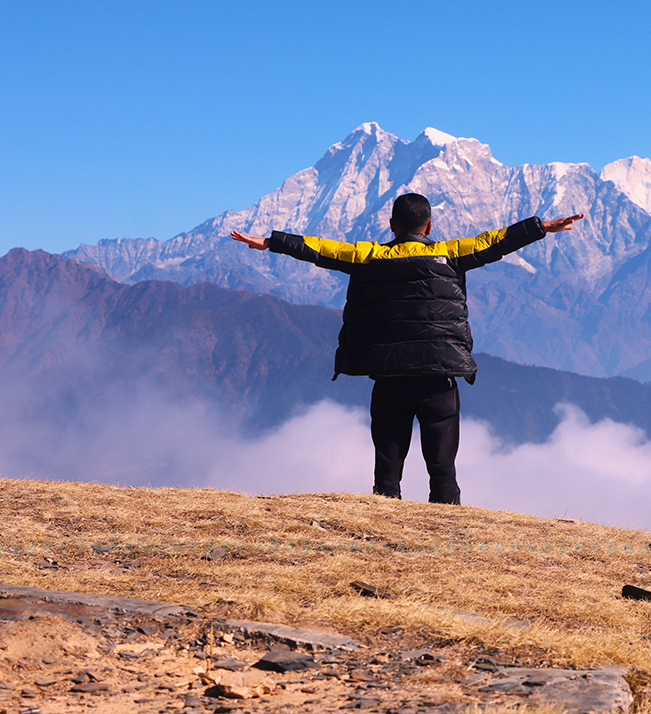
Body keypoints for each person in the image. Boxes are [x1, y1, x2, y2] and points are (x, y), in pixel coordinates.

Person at [231, 192, 583, 505]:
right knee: (442, 468)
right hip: (439, 378)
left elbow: (321, 249)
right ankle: (448, 533)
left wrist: (271, 242)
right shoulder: (450, 254)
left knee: (388, 468)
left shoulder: (367, 256)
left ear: (392, 226)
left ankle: (386, 528)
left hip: (389, 375)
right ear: (429, 227)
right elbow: (494, 241)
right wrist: (540, 227)